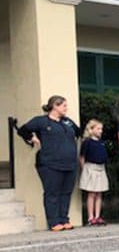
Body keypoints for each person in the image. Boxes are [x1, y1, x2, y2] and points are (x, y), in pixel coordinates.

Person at [17, 95, 81, 231]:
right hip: (49, 164)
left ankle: (64, 219)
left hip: (69, 164)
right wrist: (32, 137)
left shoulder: (67, 122)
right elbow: (23, 130)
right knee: (52, 192)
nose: (66, 108)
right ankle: (53, 221)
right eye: (63, 105)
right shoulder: (41, 121)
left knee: (66, 192)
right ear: (55, 106)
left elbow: (78, 132)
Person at [79, 120, 109, 227]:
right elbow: (82, 157)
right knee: (91, 193)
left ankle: (97, 216)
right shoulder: (87, 142)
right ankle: (90, 217)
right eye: (98, 129)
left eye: (101, 129)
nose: (100, 131)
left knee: (99, 193)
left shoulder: (101, 142)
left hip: (101, 168)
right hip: (90, 167)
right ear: (91, 129)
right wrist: (84, 171)